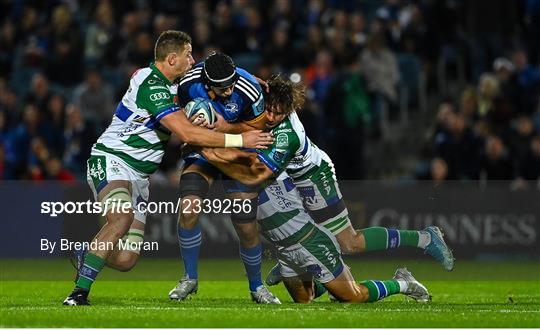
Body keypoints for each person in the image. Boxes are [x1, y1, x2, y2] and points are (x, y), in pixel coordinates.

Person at [63, 30, 273, 306]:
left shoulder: (175, 82)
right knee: (121, 218)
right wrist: (240, 139)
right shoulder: (150, 84)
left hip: (140, 176)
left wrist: (244, 77)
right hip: (112, 159)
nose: (192, 60)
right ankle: (78, 293)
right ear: (173, 58)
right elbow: (186, 134)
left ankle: (87, 253)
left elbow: (206, 69)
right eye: (188, 55)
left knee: (126, 260)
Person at [199, 75, 454, 286]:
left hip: (311, 175)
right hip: (285, 173)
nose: (270, 116)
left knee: (349, 243)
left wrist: (212, 152)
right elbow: (247, 83)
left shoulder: (287, 135)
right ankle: (293, 261)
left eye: (278, 113)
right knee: (270, 215)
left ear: (288, 112)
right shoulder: (259, 100)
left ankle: (425, 238)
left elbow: (257, 174)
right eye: (269, 109)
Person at [168, 52, 279, 304]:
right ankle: (189, 278)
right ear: (208, 84)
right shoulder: (187, 85)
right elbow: (178, 121)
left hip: (239, 152)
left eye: (232, 84)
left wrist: (224, 127)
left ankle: (256, 287)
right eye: (223, 87)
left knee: (245, 225)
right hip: (204, 151)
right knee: (188, 207)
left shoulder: (249, 88)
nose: (229, 90)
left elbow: (259, 128)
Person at [255, 174, 430, 304]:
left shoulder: (276, 158)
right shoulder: (249, 164)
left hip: (311, 242)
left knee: (353, 296)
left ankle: (403, 283)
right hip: (285, 250)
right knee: (305, 299)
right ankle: (325, 278)